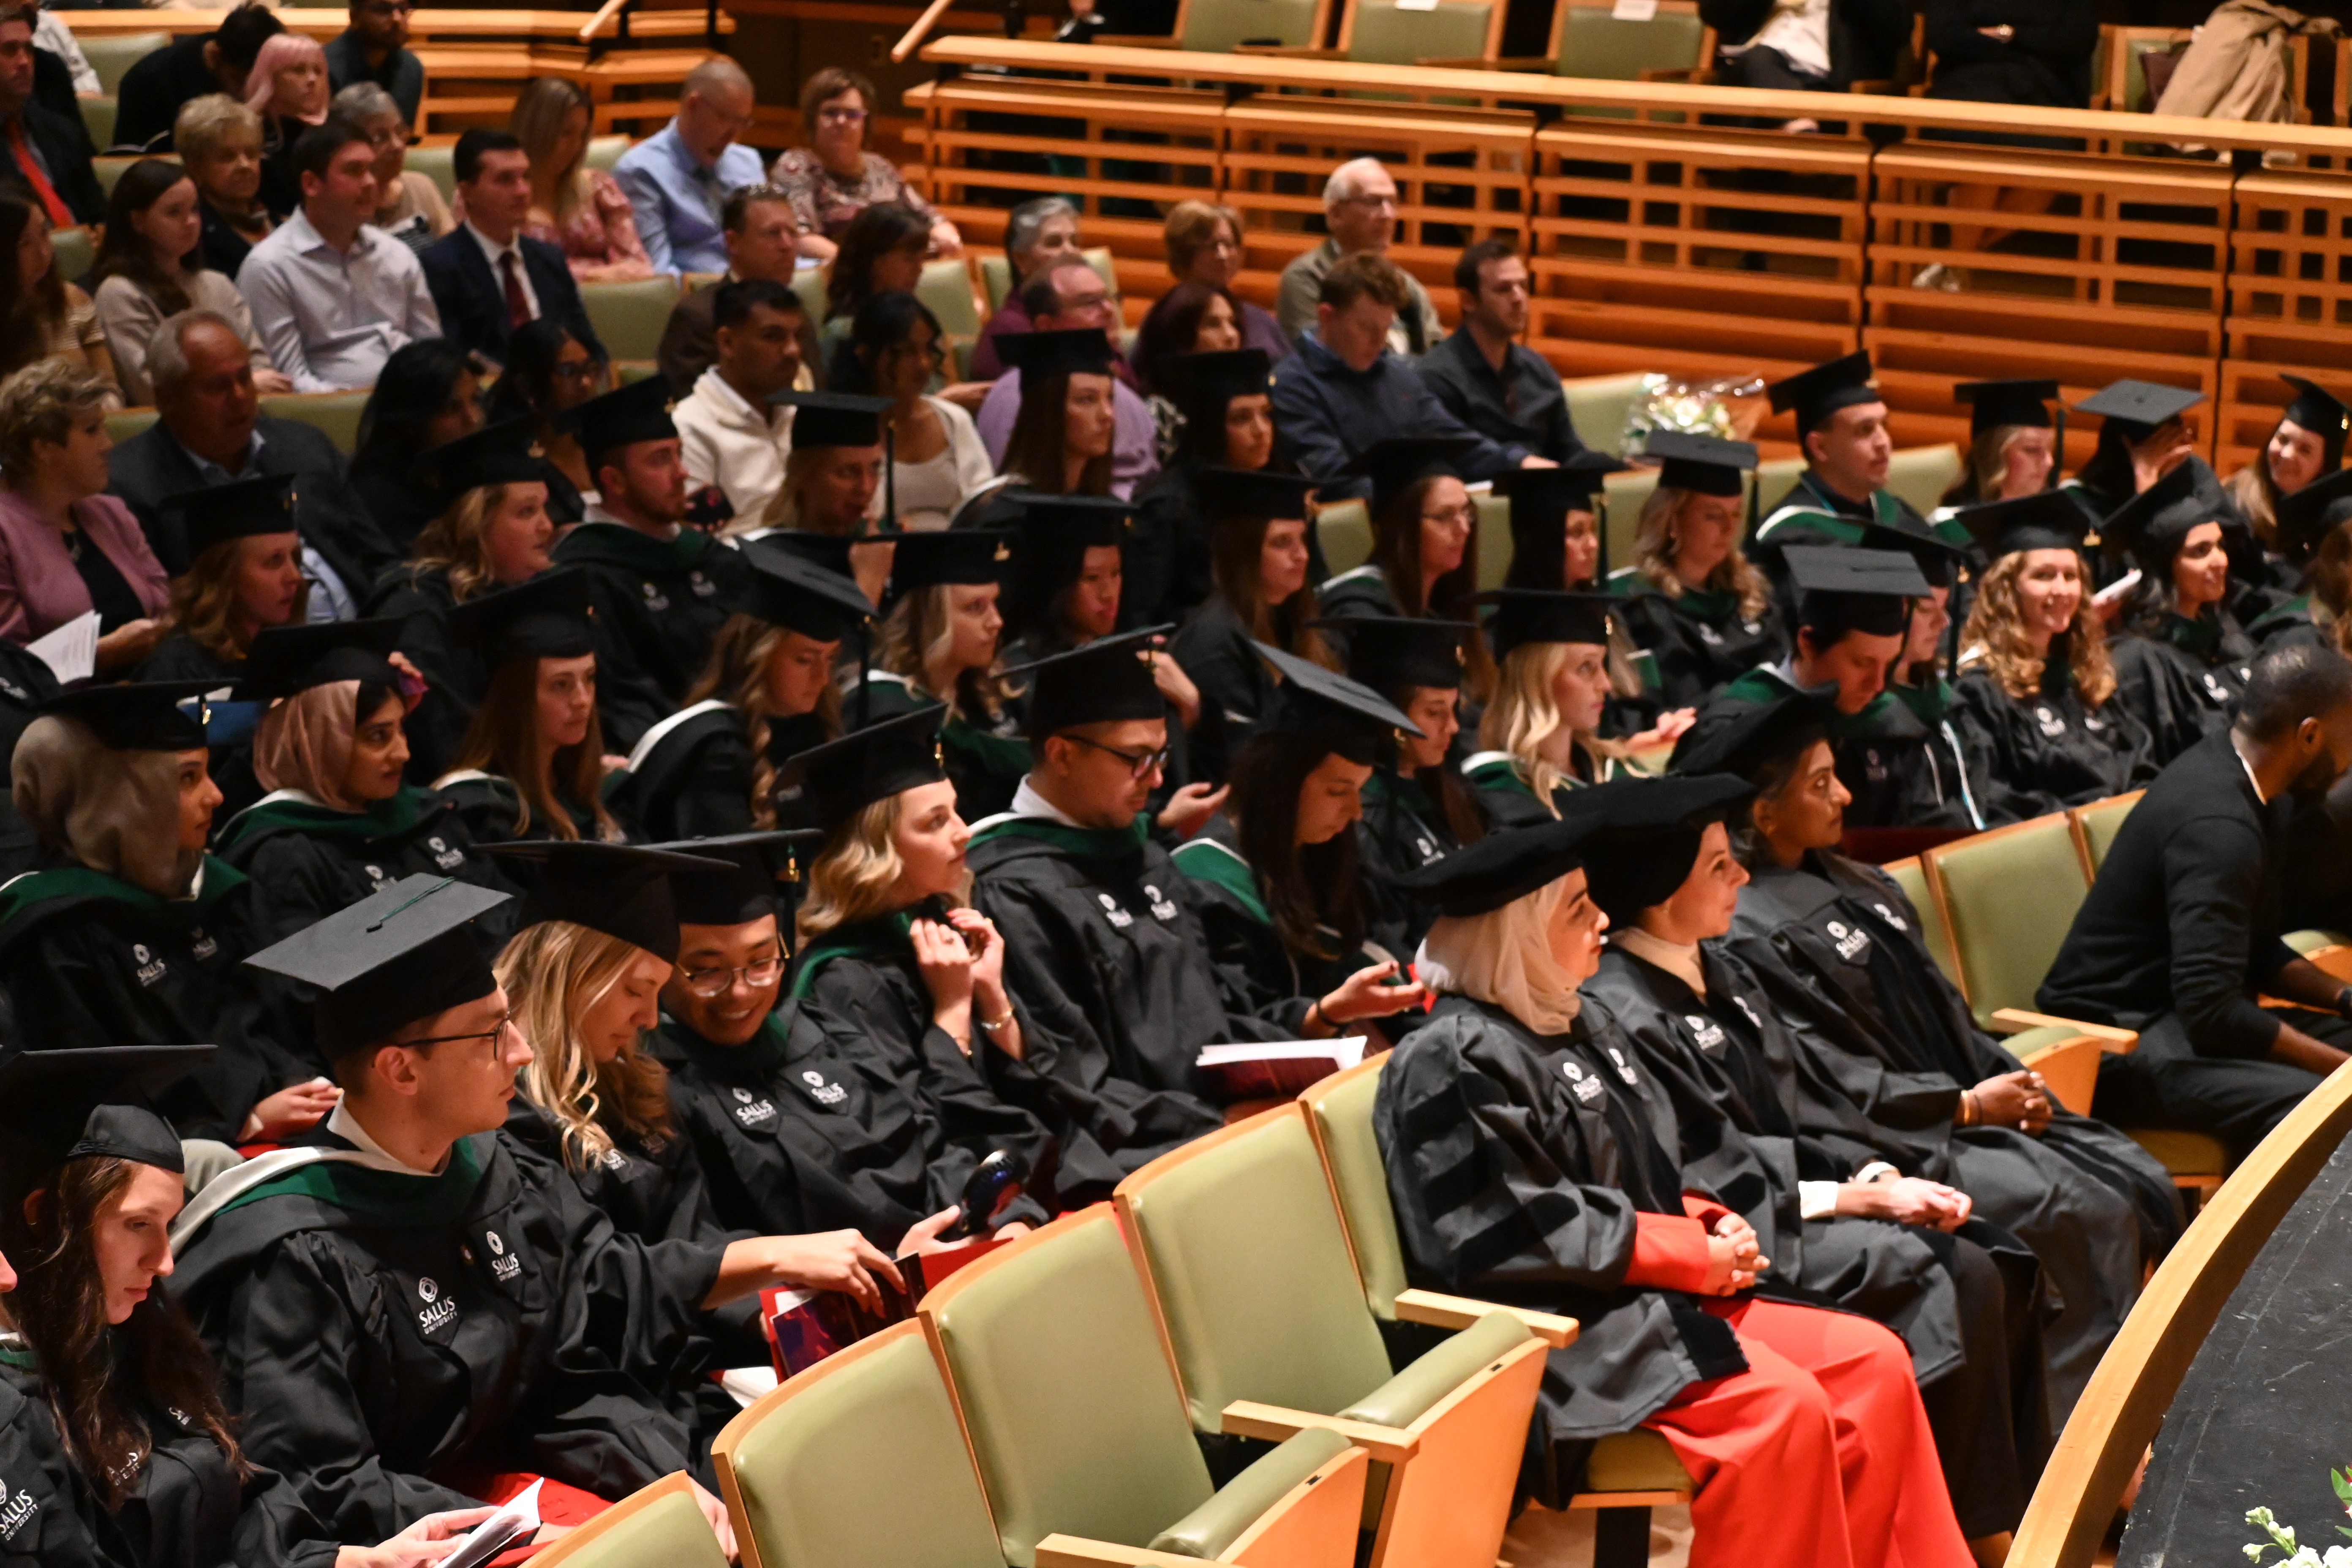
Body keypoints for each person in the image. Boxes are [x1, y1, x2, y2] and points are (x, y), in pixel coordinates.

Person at [174, 873, 903, 1552]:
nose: (522, 1052)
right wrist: (524, 1525)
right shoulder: (291, 1251)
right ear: (401, 1069)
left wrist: (663, 1478)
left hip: (530, 1485)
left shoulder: (492, 1170)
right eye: (493, 1033)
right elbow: (318, 1485)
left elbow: (570, 1352)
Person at [1376, 798, 1974, 1568]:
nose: (1602, 920)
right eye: (1578, 908)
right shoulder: (1453, 1056)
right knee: (1779, 1413)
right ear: (1515, 934)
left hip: (1644, 1293)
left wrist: (1708, 1218)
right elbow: (1506, 1227)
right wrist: (1685, 1252)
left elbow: (1648, 1166)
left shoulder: (1576, 1018)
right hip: (1557, 1330)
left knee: (1872, 1362)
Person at [1684, 692, 2184, 1428]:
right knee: (2082, 1210)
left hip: (1956, 1106)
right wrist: (1962, 1105)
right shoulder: (1743, 931)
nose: (1844, 795)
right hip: (1887, 1136)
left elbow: (1946, 1013)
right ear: (1761, 814)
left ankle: (2140, 1420)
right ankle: (2074, 1452)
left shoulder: (1858, 882)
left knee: (2142, 1182)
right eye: (1819, 783)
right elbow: (1813, 1074)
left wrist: (2008, 1081)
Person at [1575, 777, 2050, 1551]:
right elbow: (1706, 1172)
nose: (1740, 878)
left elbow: (1806, 1102)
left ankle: (1995, 1514)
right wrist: (1851, 1200)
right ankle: (1963, 1534)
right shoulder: (1627, 1010)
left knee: (1996, 1252)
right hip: (1753, 1232)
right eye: (1718, 865)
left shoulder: (1716, 971)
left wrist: (1874, 1178)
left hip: (1797, 1199)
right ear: (1663, 889)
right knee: (1949, 1275)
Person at [0, 1067, 503, 1568]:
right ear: (46, 1216)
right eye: (137, 1224)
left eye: (168, 1225)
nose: (165, 1260)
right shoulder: (17, 1409)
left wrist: (351, 1560)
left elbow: (235, 1507)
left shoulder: (137, 1340)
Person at [2041, 644, 2352, 1158]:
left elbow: (2254, 949)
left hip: (2182, 1018)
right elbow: (2213, 1011)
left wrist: (2344, 998)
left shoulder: (2261, 788)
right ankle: (2268, 1241)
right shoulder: (2219, 827)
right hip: (2118, 1041)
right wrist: (2341, 1073)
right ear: (2310, 735)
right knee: (2319, 1107)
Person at [960, 630, 1242, 1197]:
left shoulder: (1139, 854)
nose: (1159, 780)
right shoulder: (1013, 888)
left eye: (1161, 756)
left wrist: (1316, 1024)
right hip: (1135, 1163)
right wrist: (1215, 1126)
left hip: (1218, 1129)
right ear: (1063, 753)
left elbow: (1209, 1014)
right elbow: (1068, 1074)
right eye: (1138, 760)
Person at [0, 681, 322, 1147]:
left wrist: (305, 1083)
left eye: (208, 774)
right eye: (187, 779)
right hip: (177, 1168)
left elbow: (278, 1019)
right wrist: (243, 1122)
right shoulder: (56, 932)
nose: (215, 796)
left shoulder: (216, 891)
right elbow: (90, 1102)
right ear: (121, 798)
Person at [782, 718, 1064, 1202]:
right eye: (935, 822)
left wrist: (992, 994)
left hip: (1031, 1177)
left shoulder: (948, 928)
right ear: (877, 850)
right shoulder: (842, 982)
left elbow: (1044, 1091)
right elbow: (916, 1139)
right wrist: (953, 1011)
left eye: (955, 812)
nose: (962, 833)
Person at [1172, 641, 1434, 1039]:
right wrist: (1324, 1016)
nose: (1356, 813)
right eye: (1337, 791)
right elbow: (1227, 1028)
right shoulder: (1205, 882)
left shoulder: (1329, 861)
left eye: (1360, 792)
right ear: (1282, 781)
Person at [212, 618, 520, 950]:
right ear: (323, 743)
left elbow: (506, 918)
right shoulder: (285, 857)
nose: (403, 753)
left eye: (402, 729)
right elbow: (305, 991)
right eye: (378, 737)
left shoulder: (426, 815)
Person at [1683, 544, 2004, 833]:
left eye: (1889, 663)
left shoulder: (1889, 722)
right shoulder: (1739, 728)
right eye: (1862, 663)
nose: (1878, 685)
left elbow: (1923, 825)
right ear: (1808, 643)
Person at [108, 310, 391, 602]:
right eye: (218, 387)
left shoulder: (305, 445)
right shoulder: (128, 489)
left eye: (246, 378)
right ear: (167, 398)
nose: (240, 396)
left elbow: (381, 560)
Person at [554, 374, 754, 752]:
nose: (682, 473)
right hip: (676, 755)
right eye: (661, 460)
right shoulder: (586, 574)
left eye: (679, 454)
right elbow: (623, 698)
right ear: (615, 481)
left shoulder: (710, 556)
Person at [621, 547, 870, 842]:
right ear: (758, 656)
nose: (822, 677)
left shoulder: (819, 728)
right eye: (804, 660)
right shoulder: (716, 751)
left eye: (830, 659)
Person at [368, 419, 557, 778]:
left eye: (545, 508)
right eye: (526, 512)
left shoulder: (539, 593)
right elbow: (442, 737)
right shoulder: (415, 607)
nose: (547, 527)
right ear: (476, 524)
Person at [1268, 253, 1526, 503]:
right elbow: (1333, 479)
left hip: (1412, 517)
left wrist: (1518, 463)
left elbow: (1453, 440)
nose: (1379, 342)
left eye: (1385, 329)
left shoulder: (1398, 375)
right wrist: (1420, 500)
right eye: (1367, 328)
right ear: (1327, 316)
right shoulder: (1293, 385)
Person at [1950, 490, 2152, 805]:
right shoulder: (1984, 690)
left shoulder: (2087, 677)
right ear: (2007, 588)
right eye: (2043, 576)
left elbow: (2138, 759)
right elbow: (1997, 799)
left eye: (2071, 576)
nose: (2061, 590)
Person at [239, 114, 442, 395]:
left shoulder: (396, 254)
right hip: (328, 414)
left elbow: (431, 349)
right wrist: (352, 406)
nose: (371, 182)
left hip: (412, 405)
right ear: (311, 184)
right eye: (354, 171)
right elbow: (288, 379)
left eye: (371, 169)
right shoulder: (269, 266)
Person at [435, 569, 633, 848]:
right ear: (516, 700)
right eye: (561, 685)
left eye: (589, 679)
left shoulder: (605, 794)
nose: (582, 700)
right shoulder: (483, 810)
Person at [0, 360, 169, 669]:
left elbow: (163, 606)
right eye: (92, 430)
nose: (107, 444)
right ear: (44, 447)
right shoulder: (5, 533)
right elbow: (11, 667)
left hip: (148, 688)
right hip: (55, 710)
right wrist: (100, 654)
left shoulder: (111, 513)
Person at [1169, 467, 1328, 786]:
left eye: (1302, 539)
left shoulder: (1294, 622)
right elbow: (1240, 766)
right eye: (1282, 543)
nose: (1302, 555)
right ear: (1244, 551)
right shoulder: (1214, 643)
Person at [858, 528, 1029, 821]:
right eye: (975, 607)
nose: (997, 621)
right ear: (929, 619)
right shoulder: (890, 714)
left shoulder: (994, 695)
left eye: (995, 602)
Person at [88, 157, 290, 405]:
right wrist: (241, 385)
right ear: (138, 222)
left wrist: (248, 383)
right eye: (174, 212)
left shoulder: (216, 283)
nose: (192, 222)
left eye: (195, 209)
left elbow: (258, 362)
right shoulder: (120, 293)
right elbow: (148, 388)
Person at [1334, 615, 1479, 956]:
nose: (1455, 726)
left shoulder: (1453, 796)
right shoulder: (1365, 824)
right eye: (1435, 712)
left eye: (1454, 709)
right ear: (1392, 720)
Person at [2102, 460, 2260, 768]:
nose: (2220, 561)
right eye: (2200, 551)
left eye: (2219, 546)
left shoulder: (2230, 639)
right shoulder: (2139, 660)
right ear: (2166, 566)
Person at [1612, 433, 1788, 710]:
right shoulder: (1641, 605)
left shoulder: (1751, 593)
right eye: (1713, 515)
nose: (1729, 529)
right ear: (1673, 521)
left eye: (1735, 514)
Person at [1316, 437, 1496, 694]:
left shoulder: (1451, 608)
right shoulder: (1359, 613)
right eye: (1445, 516)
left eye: (1467, 512)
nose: (1464, 528)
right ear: (1402, 528)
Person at [421, 128, 606, 374]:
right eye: (506, 179)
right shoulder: (439, 267)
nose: (522, 191)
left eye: (526, 177)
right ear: (467, 193)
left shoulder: (549, 258)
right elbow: (455, 362)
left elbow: (588, 344)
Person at [1129, 347, 1283, 627]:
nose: (1261, 430)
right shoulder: (1167, 508)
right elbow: (1144, 617)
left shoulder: (1276, 493)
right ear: (1211, 426)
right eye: (1242, 418)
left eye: (1267, 414)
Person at [975, 264, 1160, 498]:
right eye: (1089, 303)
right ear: (1046, 325)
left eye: (1109, 299)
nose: (1108, 310)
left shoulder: (1122, 393)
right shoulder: (1021, 395)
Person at [1464, 589, 1639, 815]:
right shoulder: (1502, 788)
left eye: (1603, 665)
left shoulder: (1617, 770)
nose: (1606, 684)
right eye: (1586, 668)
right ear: (1538, 680)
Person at [830, 289, 992, 530]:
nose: (924, 363)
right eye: (906, 351)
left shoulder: (953, 419)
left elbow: (984, 504)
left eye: (927, 349)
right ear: (866, 355)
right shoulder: (842, 429)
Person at [1753, 354, 1937, 562]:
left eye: (1884, 425)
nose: (1884, 442)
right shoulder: (1790, 538)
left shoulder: (1894, 512)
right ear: (1820, 447)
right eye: (1865, 430)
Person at [1419, 238, 1585, 465]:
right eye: (1504, 289)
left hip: (1548, 489)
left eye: (1523, 286)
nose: (1519, 298)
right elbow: (1458, 454)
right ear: (1468, 300)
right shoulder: (1436, 376)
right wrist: (1521, 463)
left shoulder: (1537, 368)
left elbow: (1570, 451)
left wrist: (1626, 470)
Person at [137, 475, 310, 689]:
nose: (295, 577)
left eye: (295, 558)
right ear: (224, 574)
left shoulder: (299, 656)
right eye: (274, 561)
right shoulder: (179, 671)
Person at [769, 67, 958, 261]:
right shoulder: (796, 167)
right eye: (831, 113)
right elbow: (800, 237)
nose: (841, 121)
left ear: (865, 124)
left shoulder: (880, 167)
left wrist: (947, 236)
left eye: (853, 115)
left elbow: (930, 219)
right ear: (812, 120)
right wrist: (858, 266)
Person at [1274, 158, 1442, 358]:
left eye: (1393, 202)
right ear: (1336, 214)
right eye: (1374, 202)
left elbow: (1435, 354)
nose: (1387, 214)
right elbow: (1318, 356)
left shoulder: (1404, 283)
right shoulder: (1306, 277)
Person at [612, 56, 764, 275]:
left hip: (756, 292)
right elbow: (659, 275)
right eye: (724, 119)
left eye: (743, 123)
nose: (733, 136)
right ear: (694, 105)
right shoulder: (640, 172)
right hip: (697, 300)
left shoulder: (748, 163)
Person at [675, 276, 805, 528]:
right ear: (727, 343)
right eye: (774, 337)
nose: (793, 351)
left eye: (797, 336)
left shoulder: (799, 414)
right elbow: (699, 543)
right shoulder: (689, 428)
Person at [656, 182, 806, 396]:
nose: (787, 245)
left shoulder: (796, 315)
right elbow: (692, 409)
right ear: (733, 242)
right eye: (773, 233)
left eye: (792, 233)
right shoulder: (699, 318)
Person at [494, 79, 650, 283]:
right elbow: (488, 271)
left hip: (607, 307)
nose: (575, 147)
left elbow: (639, 267)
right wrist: (591, 276)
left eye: (582, 135)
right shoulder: (490, 192)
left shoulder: (599, 188)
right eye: (566, 133)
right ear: (535, 129)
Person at [347, 338, 482, 554]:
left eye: (475, 399)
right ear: (411, 421)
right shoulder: (381, 500)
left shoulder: (471, 465)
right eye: (452, 408)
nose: (473, 419)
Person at [754, 390, 887, 597]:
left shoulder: (875, 547)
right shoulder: (770, 560)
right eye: (848, 472)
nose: (866, 487)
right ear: (804, 475)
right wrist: (870, 580)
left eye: (874, 469)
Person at [114, 2, 282, 156]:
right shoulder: (148, 81)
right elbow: (133, 166)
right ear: (215, 56)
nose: (255, 92)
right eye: (241, 81)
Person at [480, 317, 596, 519]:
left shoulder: (602, 440)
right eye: (568, 372)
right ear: (526, 386)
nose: (586, 383)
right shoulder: (507, 465)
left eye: (589, 368)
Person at [2227, 375, 2348, 564]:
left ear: (2325, 466)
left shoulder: (2331, 525)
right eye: (2282, 440)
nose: (2287, 454)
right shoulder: (2234, 505)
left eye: (2305, 450)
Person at [0, 2, 101, 228]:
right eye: (9, 50)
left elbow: (96, 211)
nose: (25, 62)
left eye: (29, 49)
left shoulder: (60, 132)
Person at [993, 327, 1120, 498]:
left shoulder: (1108, 508)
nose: (1108, 414)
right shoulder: (1009, 514)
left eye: (1110, 398)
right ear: (1048, 412)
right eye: (1088, 400)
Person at [967, 196, 1082, 381]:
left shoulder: (1080, 318)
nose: (1070, 252)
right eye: (1054, 243)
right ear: (1021, 260)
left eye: (1075, 242)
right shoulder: (1009, 329)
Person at [1159, 199, 1288, 363]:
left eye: (1228, 244)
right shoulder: (1166, 319)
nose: (1223, 255)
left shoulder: (1261, 320)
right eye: (1211, 246)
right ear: (1183, 253)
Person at [0, 195, 109, 387]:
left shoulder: (74, 300)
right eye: (25, 244)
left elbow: (109, 388)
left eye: (44, 233)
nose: (43, 252)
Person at [1130, 279, 1244, 460]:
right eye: (1213, 324)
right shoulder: (1156, 414)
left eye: (1233, 323)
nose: (1231, 335)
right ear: (1179, 337)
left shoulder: (1247, 403)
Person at [2063, 378, 2201, 525]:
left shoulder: (2188, 490)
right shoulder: (2074, 501)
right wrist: (2147, 476)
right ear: (2128, 449)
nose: (2183, 454)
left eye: (2184, 440)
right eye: (2169, 448)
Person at [1704, 0, 1912, 95]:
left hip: (1829, 83)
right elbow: (1714, 13)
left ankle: (1796, 124)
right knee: (1761, 57)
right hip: (1749, 72)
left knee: (1761, 59)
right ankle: (1801, 124)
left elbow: (1897, 29)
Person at [177, 94, 278, 280]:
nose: (244, 165)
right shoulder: (192, 234)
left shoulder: (275, 215)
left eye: (251, 154)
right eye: (227, 157)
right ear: (195, 167)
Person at [243, 33, 331, 221]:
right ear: (270, 77)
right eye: (298, 70)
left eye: (318, 71)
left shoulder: (328, 136)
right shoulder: (251, 140)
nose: (312, 80)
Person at [1938, 378, 2058, 511]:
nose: (2049, 462)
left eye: (2050, 449)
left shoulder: (2060, 518)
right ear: (1992, 454)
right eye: (2032, 449)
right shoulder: (1953, 525)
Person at [325, 0, 423, 142]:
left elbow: (403, 138)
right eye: (383, 10)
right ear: (355, 17)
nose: (397, 19)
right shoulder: (325, 69)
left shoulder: (410, 68)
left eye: (403, 9)